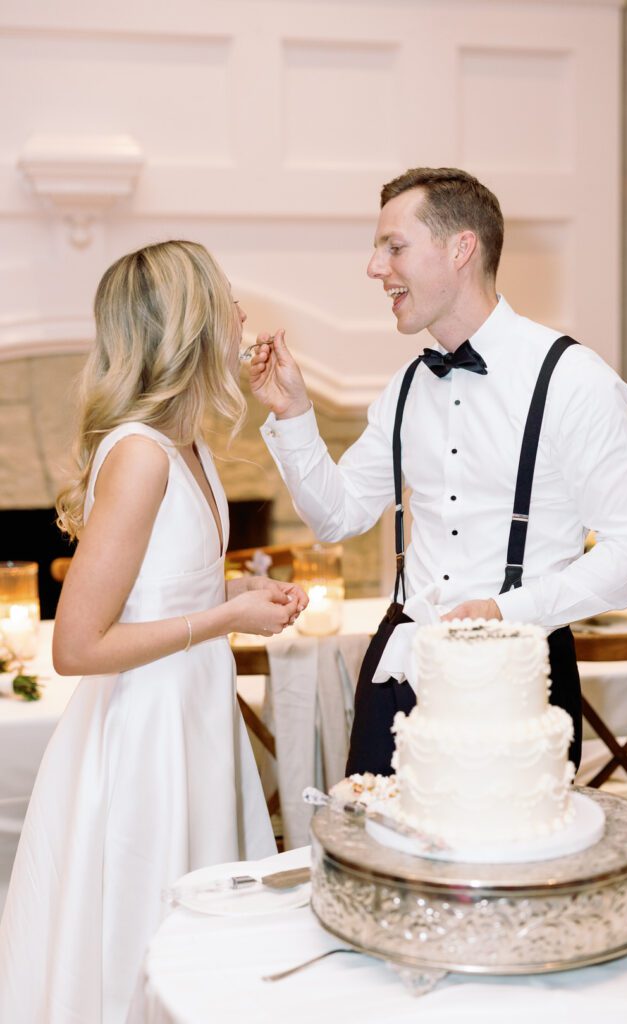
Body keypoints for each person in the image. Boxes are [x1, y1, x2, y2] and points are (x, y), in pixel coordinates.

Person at [248, 167, 627, 777]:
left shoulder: (576, 382)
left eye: (394, 247)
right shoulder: (407, 385)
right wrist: (293, 414)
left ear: (460, 248)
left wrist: (508, 611)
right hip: (399, 668)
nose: (374, 267)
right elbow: (336, 517)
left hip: (517, 676)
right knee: (378, 861)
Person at [0, 240, 307, 1023]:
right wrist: (224, 618)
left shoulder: (190, 445)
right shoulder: (140, 454)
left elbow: (160, 593)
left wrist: (232, 589)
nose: (242, 313)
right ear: (192, 323)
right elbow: (76, 647)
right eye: (227, 298)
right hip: (146, 738)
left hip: (194, 717)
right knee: (147, 938)